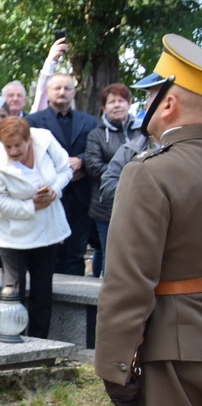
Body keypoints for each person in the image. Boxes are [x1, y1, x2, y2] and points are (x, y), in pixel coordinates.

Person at [96, 33, 202, 406]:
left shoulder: (152, 170)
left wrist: (115, 367)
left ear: (170, 102)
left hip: (179, 352)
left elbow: (128, 283)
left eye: (151, 97)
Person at [0, 117, 72, 339]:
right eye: (8, 146)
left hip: (47, 232)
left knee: (42, 292)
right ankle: (11, 339)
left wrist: (54, 190)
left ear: (28, 139)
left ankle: (41, 343)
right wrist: (31, 207)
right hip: (13, 237)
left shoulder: (45, 140)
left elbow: (65, 170)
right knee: (13, 293)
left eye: (18, 145)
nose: (13, 151)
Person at [26, 72, 97, 275]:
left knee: (76, 252)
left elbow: (96, 149)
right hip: (48, 194)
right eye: (57, 88)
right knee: (48, 252)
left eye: (67, 88)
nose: (62, 92)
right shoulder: (33, 121)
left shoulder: (90, 121)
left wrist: (81, 160)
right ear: (48, 92)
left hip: (80, 195)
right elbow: (30, 154)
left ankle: (73, 292)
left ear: (74, 92)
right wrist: (63, 167)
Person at [82, 83, 134, 277]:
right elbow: (93, 166)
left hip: (136, 202)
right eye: (112, 102)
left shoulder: (142, 131)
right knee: (107, 252)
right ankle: (101, 290)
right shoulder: (96, 134)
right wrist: (129, 174)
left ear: (129, 104)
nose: (117, 105)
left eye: (121, 100)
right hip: (105, 205)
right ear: (104, 108)